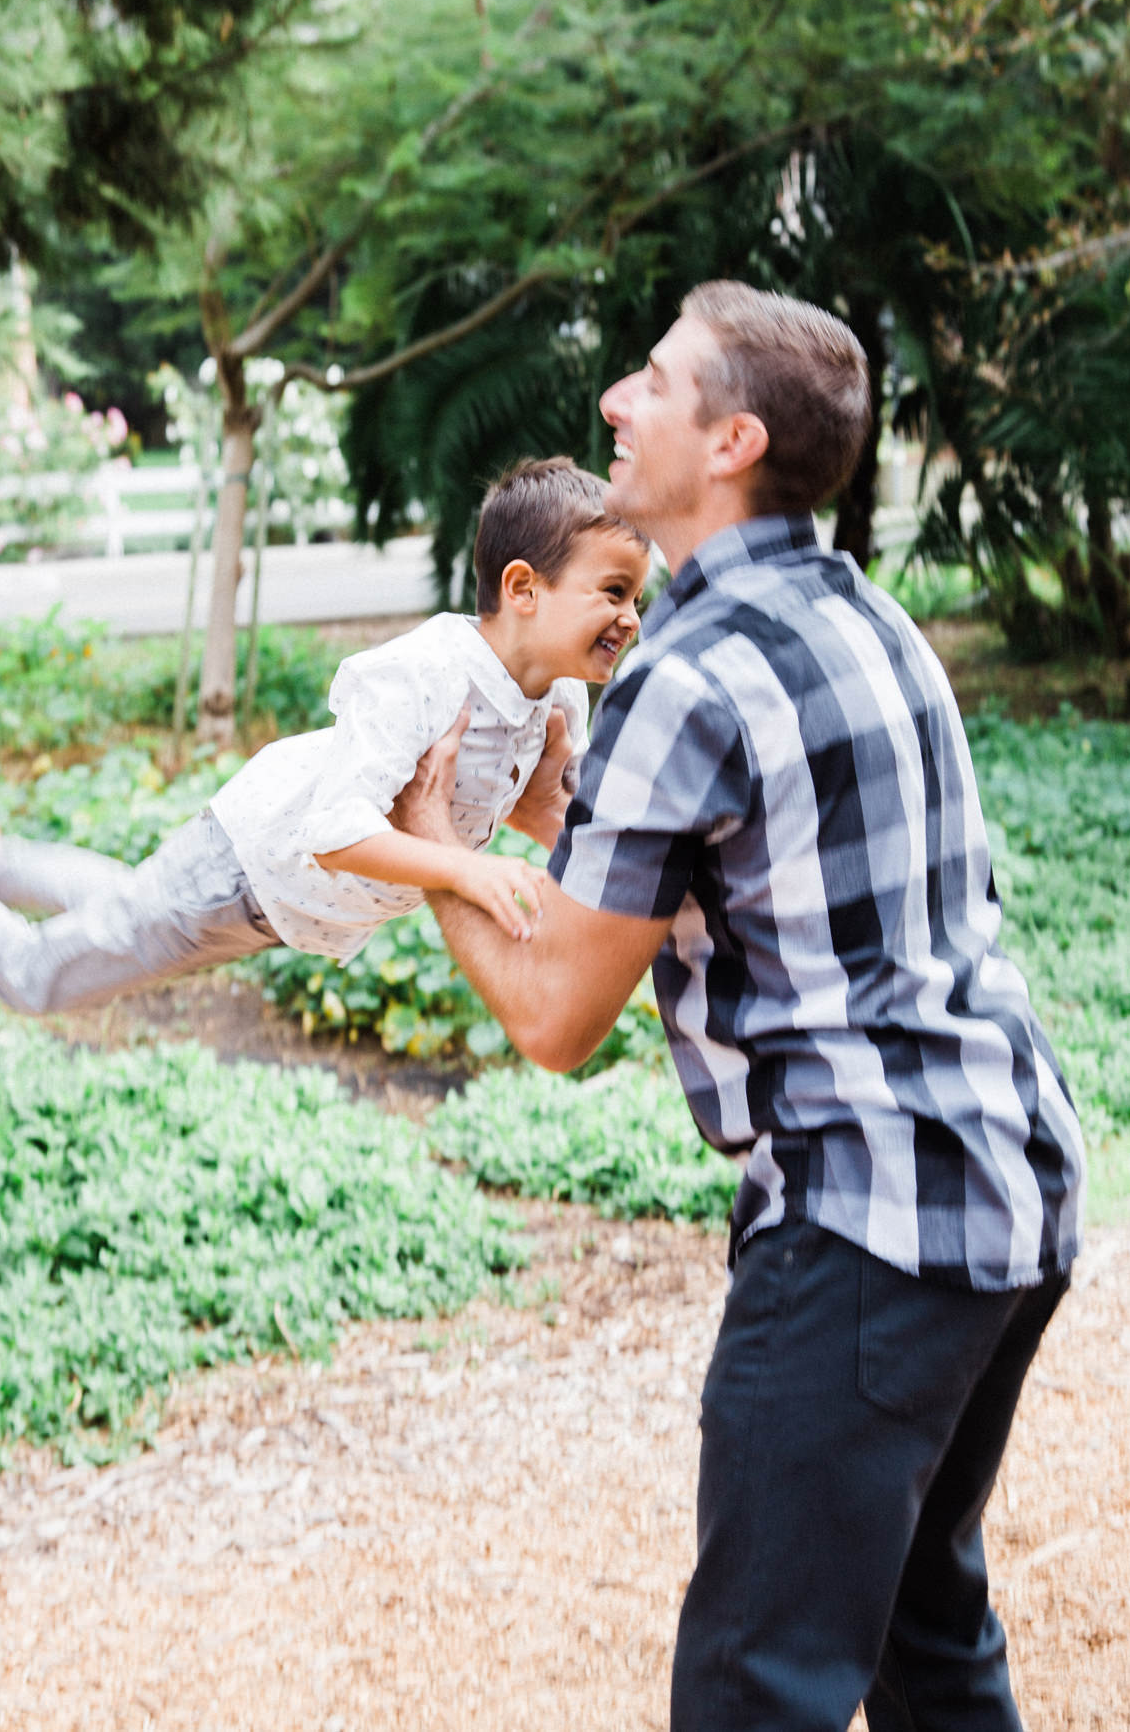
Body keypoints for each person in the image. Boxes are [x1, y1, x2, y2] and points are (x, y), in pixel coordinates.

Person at [389, 283, 1086, 1732]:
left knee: (751, 1689)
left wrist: (427, 848)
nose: (614, 404)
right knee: (924, 1633)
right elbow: (747, 865)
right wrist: (543, 821)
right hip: (1007, 1178)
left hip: (866, 1221)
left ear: (731, 441)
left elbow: (550, 1016)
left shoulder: (684, 677)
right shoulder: (863, 616)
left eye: (652, 382)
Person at [0, 458, 650, 1016]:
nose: (631, 617)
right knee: (41, 979)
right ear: (523, 587)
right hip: (246, 862)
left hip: (273, 908)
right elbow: (336, 832)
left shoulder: (558, 698)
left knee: (127, 908)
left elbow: (540, 810)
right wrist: (468, 870)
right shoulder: (430, 674)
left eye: (637, 595)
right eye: (612, 590)